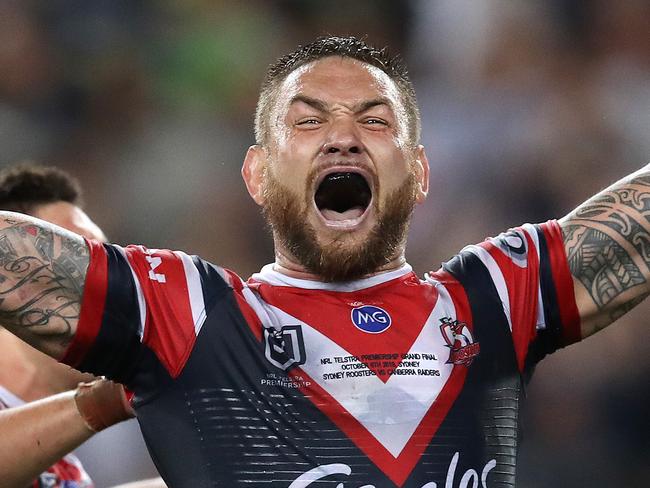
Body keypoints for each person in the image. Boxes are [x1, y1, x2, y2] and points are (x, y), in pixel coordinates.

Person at [0, 36, 646, 487]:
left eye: (375, 120)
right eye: (307, 123)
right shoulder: (186, 313)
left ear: (419, 173)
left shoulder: (494, 298)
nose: (343, 135)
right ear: (257, 174)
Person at [0, 164, 161, 488]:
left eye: (105, 262)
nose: (107, 282)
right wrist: (107, 401)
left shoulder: (64, 469)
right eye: (72, 258)